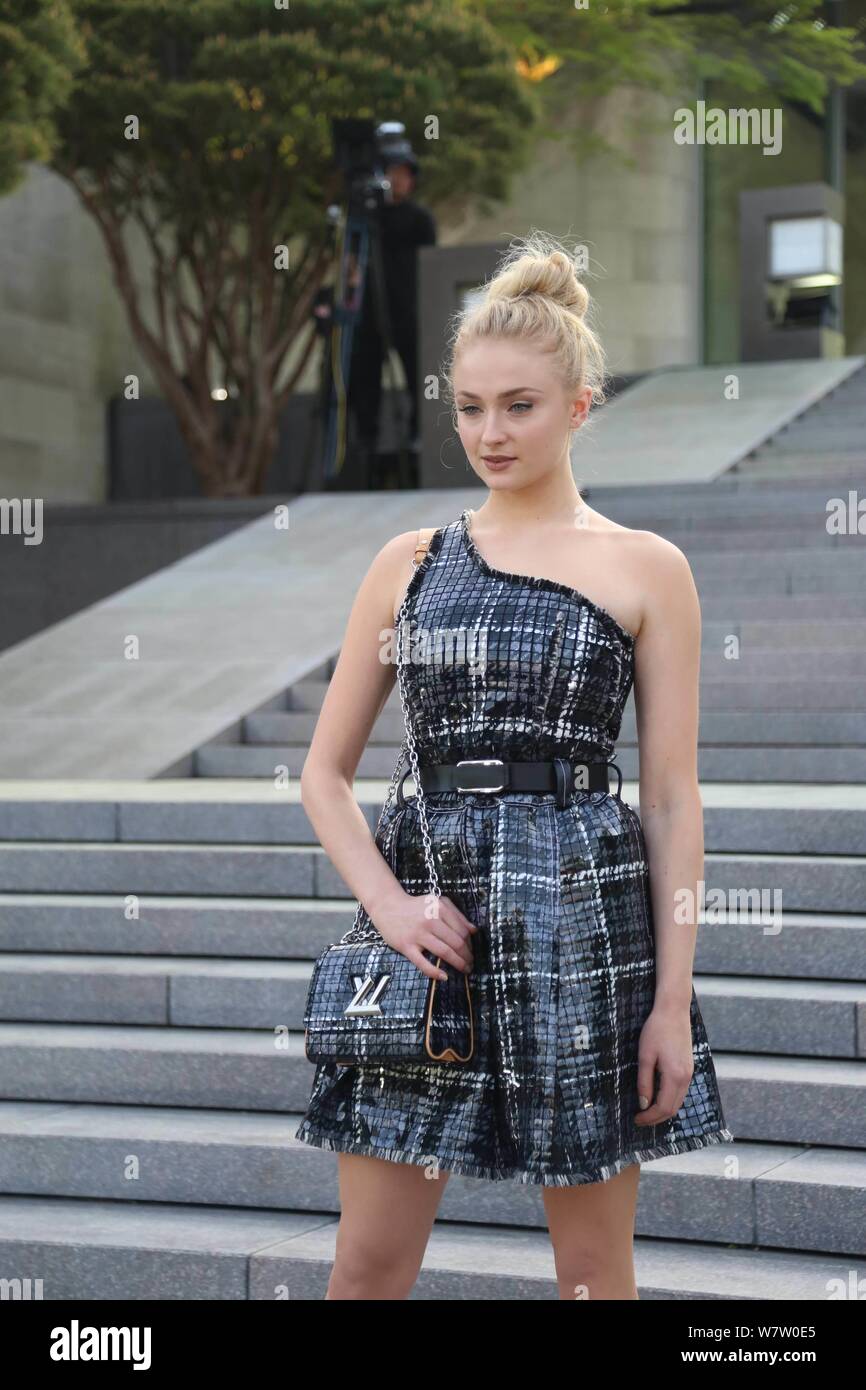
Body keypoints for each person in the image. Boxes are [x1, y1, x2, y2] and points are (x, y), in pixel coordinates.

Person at [295, 230, 734, 1300]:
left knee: (589, 1272)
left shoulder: (646, 568)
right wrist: (390, 909)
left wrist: (670, 999)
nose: (488, 432)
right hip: (428, 926)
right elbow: (321, 774)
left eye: (519, 405)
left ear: (580, 404)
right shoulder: (408, 562)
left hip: (583, 921)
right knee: (366, 1264)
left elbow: (672, 796)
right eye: (468, 406)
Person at [347, 155, 436, 466]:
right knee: (364, 374)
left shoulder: (420, 219)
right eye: (392, 174)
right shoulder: (367, 220)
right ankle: (366, 439)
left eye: (404, 175)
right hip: (370, 312)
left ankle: (419, 435)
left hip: (409, 309)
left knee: (418, 374)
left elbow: (431, 265)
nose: (398, 181)